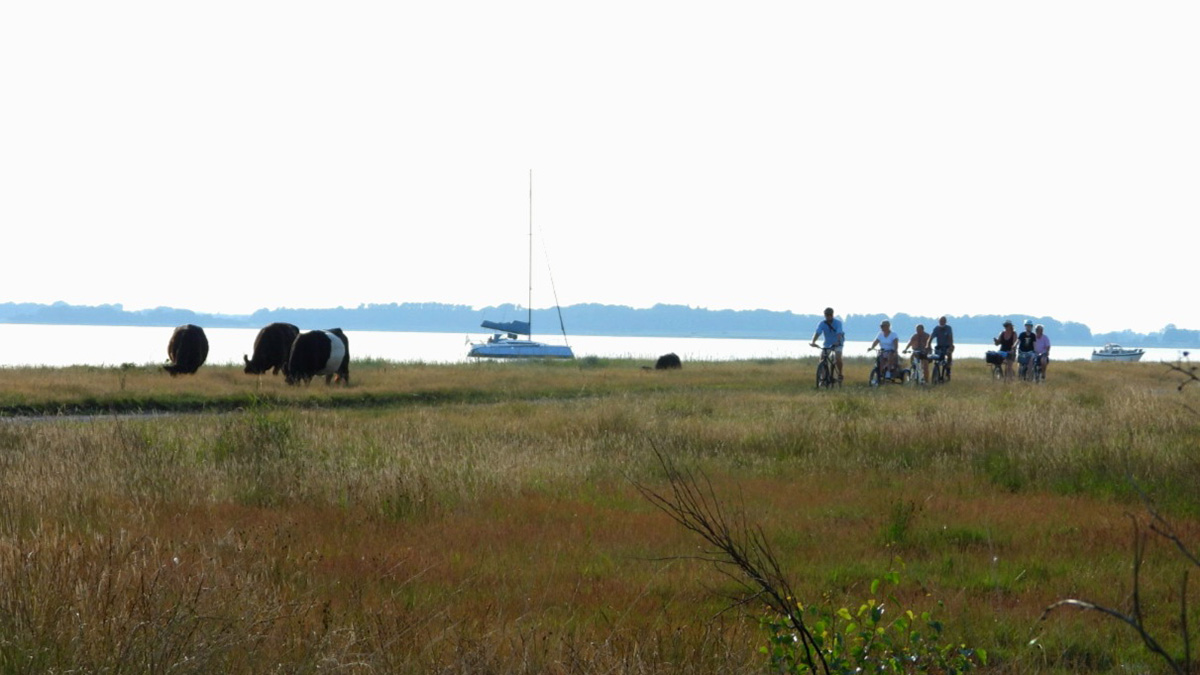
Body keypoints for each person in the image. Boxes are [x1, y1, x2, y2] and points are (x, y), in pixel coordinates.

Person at [810, 307, 845, 382]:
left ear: (832, 315)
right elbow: (817, 333)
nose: (828, 316)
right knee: (822, 358)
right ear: (825, 315)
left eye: (830, 315)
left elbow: (839, 333)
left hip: (838, 343)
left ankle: (840, 374)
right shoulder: (822, 323)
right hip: (827, 344)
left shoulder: (838, 323)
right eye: (826, 315)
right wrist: (813, 342)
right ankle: (823, 377)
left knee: (838, 358)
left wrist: (838, 341)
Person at [929, 316, 954, 380]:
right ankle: (936, 372)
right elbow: (931, 338)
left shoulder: (948, 328)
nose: (942, 322)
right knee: (936, 358)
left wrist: (950, 346)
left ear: (945, 322)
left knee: (949, 355)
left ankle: (948, 370)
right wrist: (928, 345)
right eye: (940, 321)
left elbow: (950, 338)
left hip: (947, 345)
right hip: (939, 346)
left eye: (943, 321)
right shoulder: (936, 328)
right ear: (938, 321)